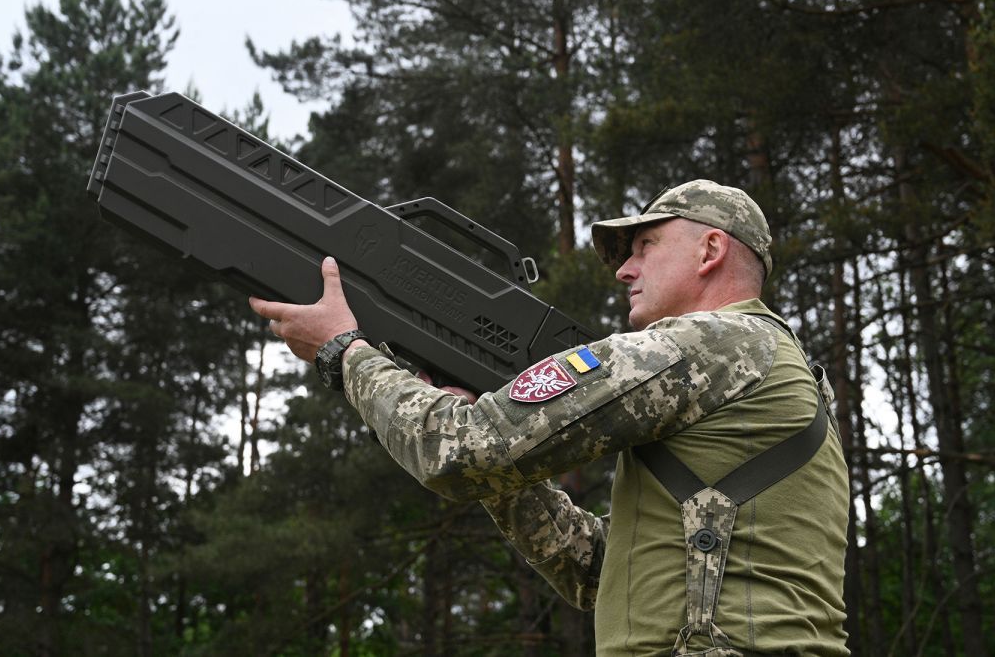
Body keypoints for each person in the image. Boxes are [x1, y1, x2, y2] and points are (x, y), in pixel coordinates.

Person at [250, 180, 850, 656]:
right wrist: (505, 479)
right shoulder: (789, 374)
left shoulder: (715, 344)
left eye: (645, 246)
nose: (624, 270)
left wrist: (345, 350)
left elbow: (458, 452)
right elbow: (596, 571)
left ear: (710, 250)